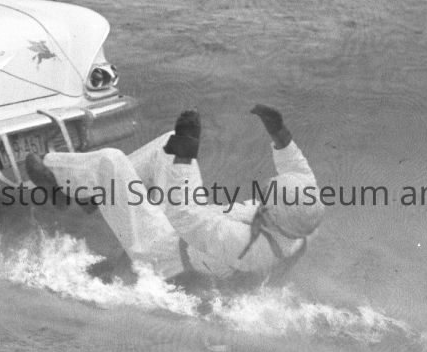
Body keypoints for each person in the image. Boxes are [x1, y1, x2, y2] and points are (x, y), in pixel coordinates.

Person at [24, 105, 325, 291]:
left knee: (110, 162)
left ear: (276, 215)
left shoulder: (246, 245)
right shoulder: (300, 214)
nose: (266, 189)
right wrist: (279, 132)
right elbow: (297, 169)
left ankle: (58, 178)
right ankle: (92, 193)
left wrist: (185, 156)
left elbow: (185, 216)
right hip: (188, 229)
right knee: (167, 145)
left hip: (161, 253)